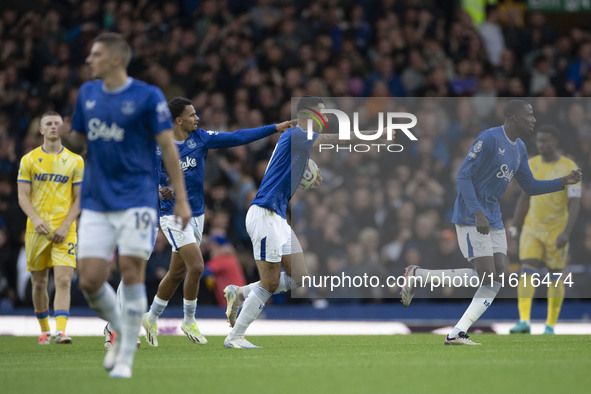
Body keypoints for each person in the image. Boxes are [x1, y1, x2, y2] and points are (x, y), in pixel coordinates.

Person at [59, 33, 191, 378]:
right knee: (89, 281)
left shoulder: (147, 97)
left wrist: (181, 198)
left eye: (96, 54)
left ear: (115, 59)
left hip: (136, 199)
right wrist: (65, 134)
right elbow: (85, 141)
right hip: (98, 199)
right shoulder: (87, 95)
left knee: (132, 273)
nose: (89, 60)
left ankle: (125, 352)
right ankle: (118, 326)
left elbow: (169, 148)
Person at [401, 99, 582, 345]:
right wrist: (477, 212)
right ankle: (418, 276)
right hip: (471, 213)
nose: (534, 120)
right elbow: (463, 175)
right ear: (515, 117)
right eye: (529, 115)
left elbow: (529, 185)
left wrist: (562, 182)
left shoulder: (519, 148)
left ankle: (456, 331)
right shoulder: (488, 138)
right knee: (486, 275)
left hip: (493, 215)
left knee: (497, 277)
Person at [223, 96, 382, 348]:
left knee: (299, 278)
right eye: (322, 113)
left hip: (276, 216)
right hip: (265, 213)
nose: (326, 119)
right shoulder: (298, 133)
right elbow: (331, 141)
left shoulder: (297, 140)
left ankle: (240, 293)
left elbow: (294, 163)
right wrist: (372, 134)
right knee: (271, 282)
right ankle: (235, 337)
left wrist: (306, 172)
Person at [141, 97, 294, 347]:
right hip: (172, 215)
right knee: (197, 266)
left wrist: (274, 128)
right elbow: (148, 177)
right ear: (178, 120)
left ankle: (151, 316)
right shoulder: (161, 146)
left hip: (197, 214)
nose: (197, 118)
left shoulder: (200, 138)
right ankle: (189, 319)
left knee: (177, 271)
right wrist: (160, 189)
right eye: (191, 115)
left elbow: (237, 137)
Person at [17, 111, 84, 345]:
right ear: (41, 129)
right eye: (49, 124)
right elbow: (23, 196)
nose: (54, 127)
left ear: (62, 128)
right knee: (39, 283)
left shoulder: (76, 161)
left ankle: (61, 330)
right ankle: (44, 329)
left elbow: (79, 198)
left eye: (57, 123)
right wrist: (35, 220)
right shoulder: (29, 160)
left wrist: (66, 225)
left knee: (64, 280)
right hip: (37, 229)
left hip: (65, 230)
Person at [509, 125, 581, 335]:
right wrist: (515, 224)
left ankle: (550, 325)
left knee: (555, 275)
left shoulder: (570, 167)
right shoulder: (530, 164)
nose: (541, 145)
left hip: (556, 229)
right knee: (526, 269)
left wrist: (566, 232)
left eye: (545, 141)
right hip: (532, 226)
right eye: (539, 141)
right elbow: (524, 196)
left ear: (555, 142)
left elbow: (575, 202)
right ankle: (523, 321)